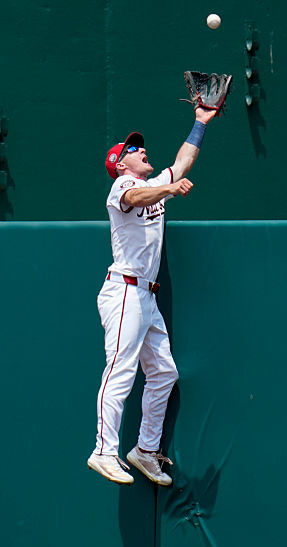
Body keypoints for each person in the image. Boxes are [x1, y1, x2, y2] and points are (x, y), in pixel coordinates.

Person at [88, 105, 217, 486]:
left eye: (139, 147)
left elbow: (183, 162)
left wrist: (201, 122)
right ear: (121, 163)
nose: (141, 150)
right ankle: (103, 451)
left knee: (164, 373)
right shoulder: (122, 187)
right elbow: (141, 198)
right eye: (133, 149)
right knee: (121, 370)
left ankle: (144, 450)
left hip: (146, 297)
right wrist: (168, 188)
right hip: (124, 290)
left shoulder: (154, 184)